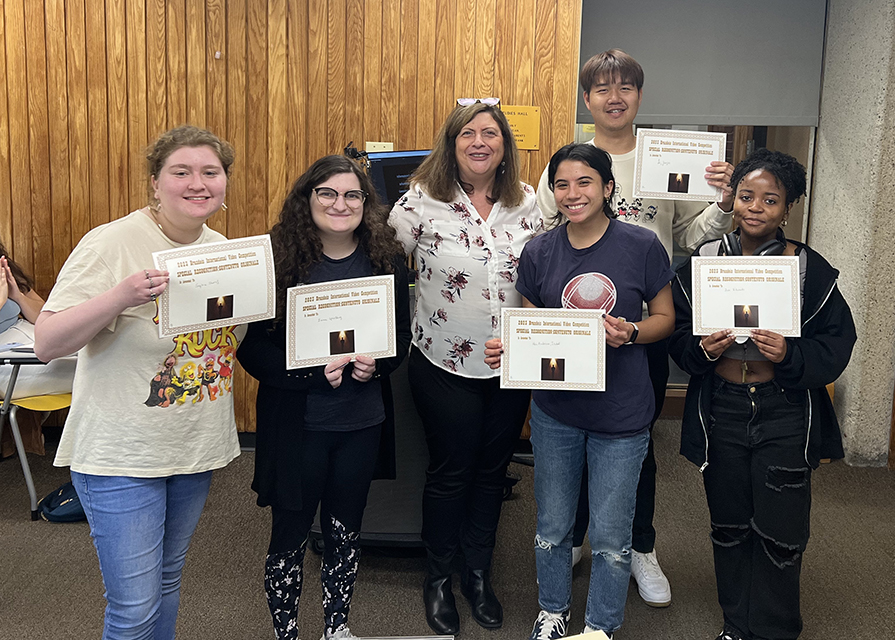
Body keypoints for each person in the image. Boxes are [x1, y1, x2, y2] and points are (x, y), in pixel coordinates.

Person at [536, 48, 735, 608]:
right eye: (602, 88)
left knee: (632, 440)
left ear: (639, 97)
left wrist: (722, 200)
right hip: (574, 323)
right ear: (587, 99)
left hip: (645, 318)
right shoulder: (572, 162)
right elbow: (545, 233)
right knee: (568, 431)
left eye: (625, 87)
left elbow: (693, 234)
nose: (614, 96)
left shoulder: (666, 156)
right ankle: (576, 538)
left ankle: (638, 545)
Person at [34, 125, 242, 640]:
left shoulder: (224, 251)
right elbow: (47, 342)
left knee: (167, 583)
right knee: (133, 608)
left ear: (224, 183)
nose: (198, 183)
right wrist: (119, 297)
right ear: (155, 183)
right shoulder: (112, 243)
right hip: (121, 454)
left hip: (192, 447)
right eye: (181, 172)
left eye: (210, 172)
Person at [486, 143, 674, 639]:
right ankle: (552, 611)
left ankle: (600, 625)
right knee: (552, 527)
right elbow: (529, 322)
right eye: (562, 184)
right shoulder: (540, 250)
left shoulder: (641, 245)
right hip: (556, 413)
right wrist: (509, 348)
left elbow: (666, 319)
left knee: (613, 538)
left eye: (585, 182)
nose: (573, 194)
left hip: (622, 415)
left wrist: (631, 331)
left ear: (608, 188)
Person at [669, 149, 856, 640]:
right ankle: (736, 625)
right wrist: (702, 350)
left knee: (781, 531)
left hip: (783, 413)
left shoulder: (807, 268)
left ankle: (774, 631)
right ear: (733, 199)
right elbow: (678, 335)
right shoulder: (705, 261)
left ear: (788, 208)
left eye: (770, 200)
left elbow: (838, 341)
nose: (755, 207)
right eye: (747, 196)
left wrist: (789, 355)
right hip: (723, 410)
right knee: (729, 526)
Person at [237, 155, 411, 640]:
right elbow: (251, 348)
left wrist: (381, 363)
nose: (341, 204)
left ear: (366, 202)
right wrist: (310, 375)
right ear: (307, 199)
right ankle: (286, 631)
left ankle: (338, 627)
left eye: (353, 194)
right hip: (299, 425)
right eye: (328, 193)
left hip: (361, 422)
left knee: (345, 530)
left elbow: (401, 335)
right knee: (290, 535)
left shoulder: (386, 259)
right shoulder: (278, 262)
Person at [389, 102, 543, 635]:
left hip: (510, 365)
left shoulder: (526, 203)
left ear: (505, 144)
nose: (480, 141)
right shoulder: (420, 201)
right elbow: (381, 262)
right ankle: (438, 577)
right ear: (451, 143)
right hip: (442, 362)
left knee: (490, 473)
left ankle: (477, 574)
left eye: (490, 133)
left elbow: (547, 272)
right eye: (468, 134)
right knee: (451, 473)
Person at [0, 246, 71, 458]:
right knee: (94, 368)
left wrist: (17, 296)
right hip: (6, 361)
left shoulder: (4, 268)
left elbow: (43, 315)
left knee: (94, 354)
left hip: (25, 337)